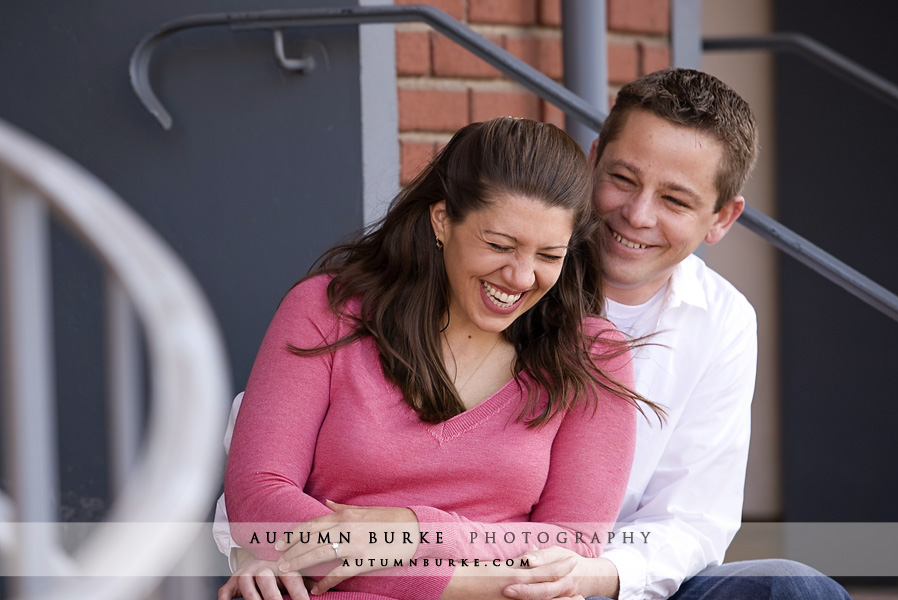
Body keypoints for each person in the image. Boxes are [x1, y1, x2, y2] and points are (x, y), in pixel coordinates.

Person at [220, 117, 656, 600]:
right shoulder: (327, 310)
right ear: (443, 220)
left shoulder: (591, 356)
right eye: (499, 245)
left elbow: (570, 544)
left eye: (549, 255)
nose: (520, 276)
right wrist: (471, 580)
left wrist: (410, 531)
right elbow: (258, 501)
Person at [495, 69, 852, 600]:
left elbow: (693, 519)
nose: (637, 215)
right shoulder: (513, 276)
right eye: (623, 178)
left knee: (796, 590)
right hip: (489, 559)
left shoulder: (724, 320)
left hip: (623, 579)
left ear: (722, 219)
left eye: (676, 201)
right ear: (593, 161)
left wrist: (598, 575)